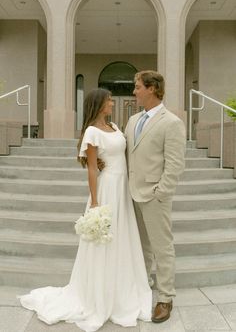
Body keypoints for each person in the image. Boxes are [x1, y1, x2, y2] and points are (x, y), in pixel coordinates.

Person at [18, 88, 152, 332]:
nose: (113, 102)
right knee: (104, 242)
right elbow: (92, 168)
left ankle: (122, 287)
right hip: (107, 188)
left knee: (122, 238)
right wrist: (94, 202)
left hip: (123, 188)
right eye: (109, 100)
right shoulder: (92, 131)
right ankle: (99, 295)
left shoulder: (115, 127)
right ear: (100, 104)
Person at [125, 70, 186, 323]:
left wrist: (161, 193)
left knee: (162, 248)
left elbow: (174, 165)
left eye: (138, 86)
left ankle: (165, 298)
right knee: (142, 246)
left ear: (152, 88)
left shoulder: (171, 122)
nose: (134, 91)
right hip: (131, 194)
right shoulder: (132, 120)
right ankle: (145, 283)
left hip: (154, 195)